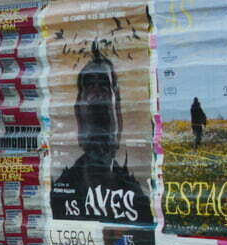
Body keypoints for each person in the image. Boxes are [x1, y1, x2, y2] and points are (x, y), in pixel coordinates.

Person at [51, 44, 153, 225]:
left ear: (119, 120)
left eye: (104, 86)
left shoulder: (139, 199)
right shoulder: (59, 195)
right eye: (89, 85)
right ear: (78, 116)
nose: (97, 93)